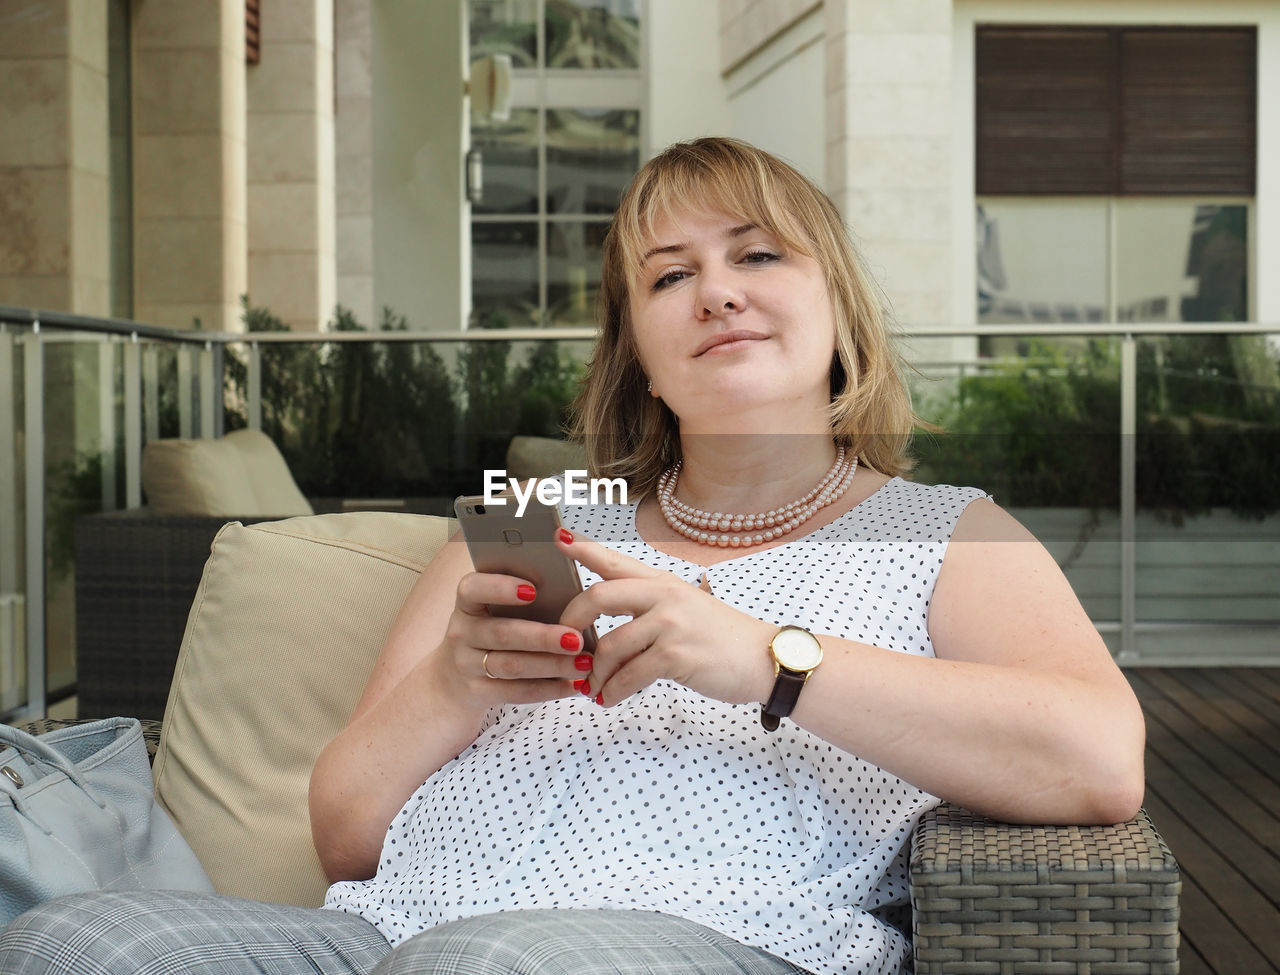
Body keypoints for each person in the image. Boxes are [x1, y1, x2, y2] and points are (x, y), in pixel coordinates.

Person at [0, 137, 1145, 975]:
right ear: (640, 355)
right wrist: (453, 682)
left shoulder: (940, 527)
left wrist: (762, 661)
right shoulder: (536, 515)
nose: (717, 293)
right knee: (78, 942)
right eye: (668, 276)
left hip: (721, 944)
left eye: (757, 255)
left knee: (491, 967)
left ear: (839, 316)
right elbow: (344, 831)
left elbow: (1095, 759)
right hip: (381, 942)